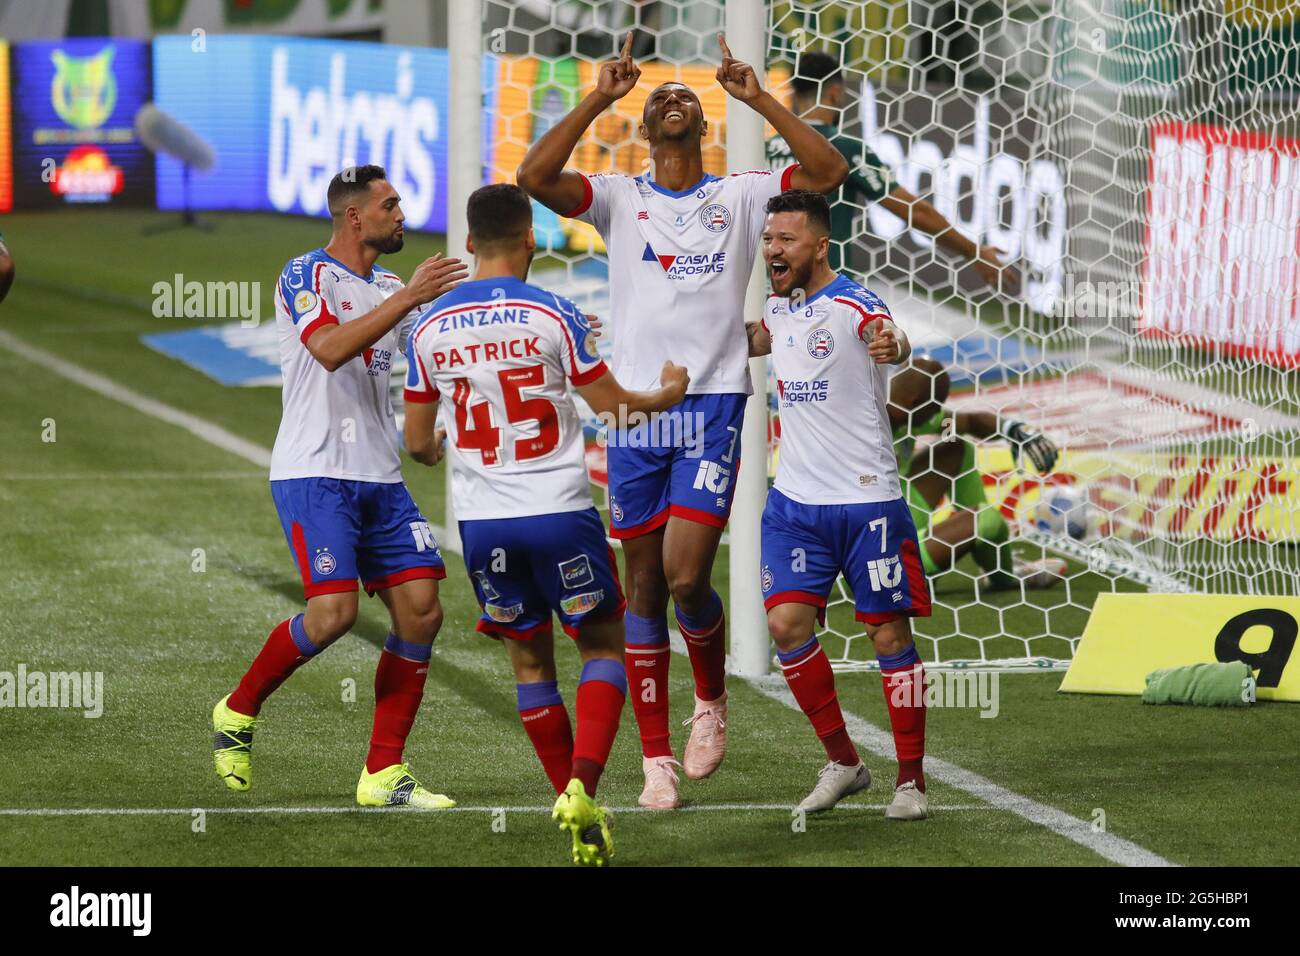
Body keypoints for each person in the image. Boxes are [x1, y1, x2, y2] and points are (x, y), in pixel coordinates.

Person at [516, 31, 849, 809]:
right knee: (640, 589)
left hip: (713, 403)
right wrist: (599, 94)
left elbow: (828, 174)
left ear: (703, 126)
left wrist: (759, 99)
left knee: (684, 573)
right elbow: (533, 176)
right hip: (634, 410)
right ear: (642, 127)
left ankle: (710, 700)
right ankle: (655, 759)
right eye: (659, 98)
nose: (672, 100)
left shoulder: (740, 195)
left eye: (686, 99)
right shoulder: (618, 196)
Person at [404, 183, 689, 865]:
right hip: (560, 513)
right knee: (601, 650)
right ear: (531, 238)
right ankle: (582, 787)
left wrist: (441, 446)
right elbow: (617, 412)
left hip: (484, 527)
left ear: (468, 244)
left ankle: (570, 803)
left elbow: (417, 443)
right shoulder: (555, 313)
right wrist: (669, 393)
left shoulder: (429, 324)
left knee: (530, 663)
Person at [212, 165, 469, 809]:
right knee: (335, 615)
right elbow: (327, 349)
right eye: (390, 204)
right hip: (314, 471)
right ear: (354, 216)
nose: (402, 214)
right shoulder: (306, 274)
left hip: (380, 477)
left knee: (422, 611)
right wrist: (407, 299)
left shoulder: (387, 284)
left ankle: (383, 773)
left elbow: (435, 355)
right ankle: (238, 712)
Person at [748, 189, 930, 821]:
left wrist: (893, 344)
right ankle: (845, 763)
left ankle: (911, 781)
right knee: (786, 626)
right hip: (795, 502)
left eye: (786, 240)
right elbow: (760, 337)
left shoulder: (855, 301)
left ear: (819, 246)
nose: (773, 249)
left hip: (867, 502)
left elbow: (886, 333)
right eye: (769, 239)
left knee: (888, 635)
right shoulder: (779, 307)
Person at [767, 50, 1017, 291]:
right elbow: (914, 211)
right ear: (835, 93)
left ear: (794, 93)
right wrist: (972, 251)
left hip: (771, 290)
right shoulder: (843, 149)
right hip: (825, 298)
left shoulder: (767, 149)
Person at [888, 357, 1066, 588]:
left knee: (957, 448)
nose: (937, 414)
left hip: (899, 513)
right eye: (934, 408)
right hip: (885, 559)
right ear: (915, 401)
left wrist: (1013, 430)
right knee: (988, 520)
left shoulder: (905, 413)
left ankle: (984, 551)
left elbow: (970, 422)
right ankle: (1006, 577)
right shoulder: (867, 427)